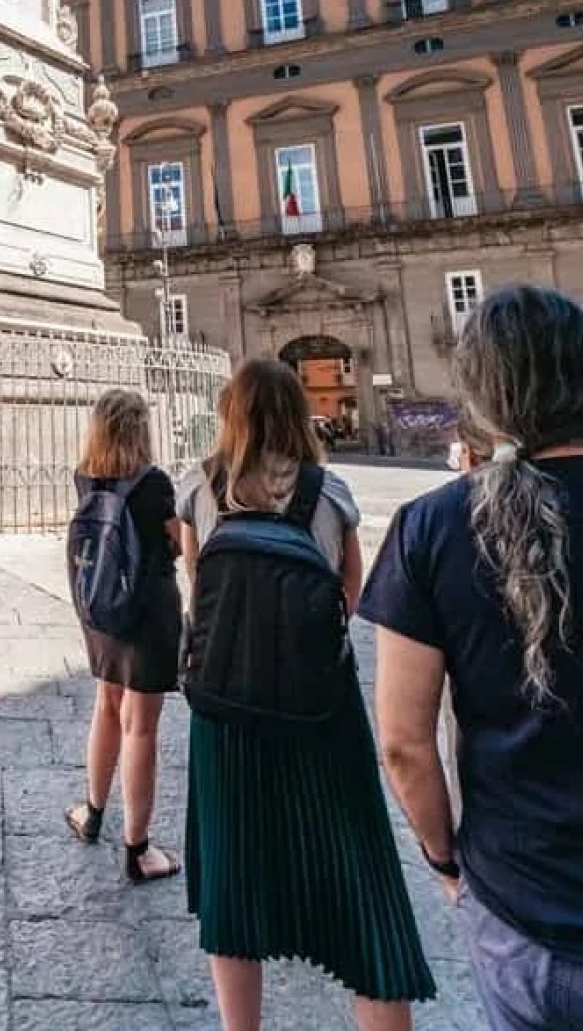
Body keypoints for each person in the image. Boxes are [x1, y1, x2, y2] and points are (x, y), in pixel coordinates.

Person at [177, 359, 434, 1031]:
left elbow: (197, 595)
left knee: (232, 884)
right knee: (360, 888)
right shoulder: (331, 492)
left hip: (226, 712)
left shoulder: (200, 489)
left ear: (231, 413)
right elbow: (346, 597)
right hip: (321, 708)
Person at [360, 286, 583, 1030]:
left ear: (485, 394)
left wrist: (444, 859)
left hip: (525, 901)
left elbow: (402, 744)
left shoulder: (434, 526)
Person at [64, 389, 183, 882]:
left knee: (106, 704)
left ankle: (93, 811)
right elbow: (177, 540)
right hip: (148, 611)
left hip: (100, 609)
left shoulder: (85, 475)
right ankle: (138, 849)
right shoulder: (153, 484)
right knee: (142, 726)